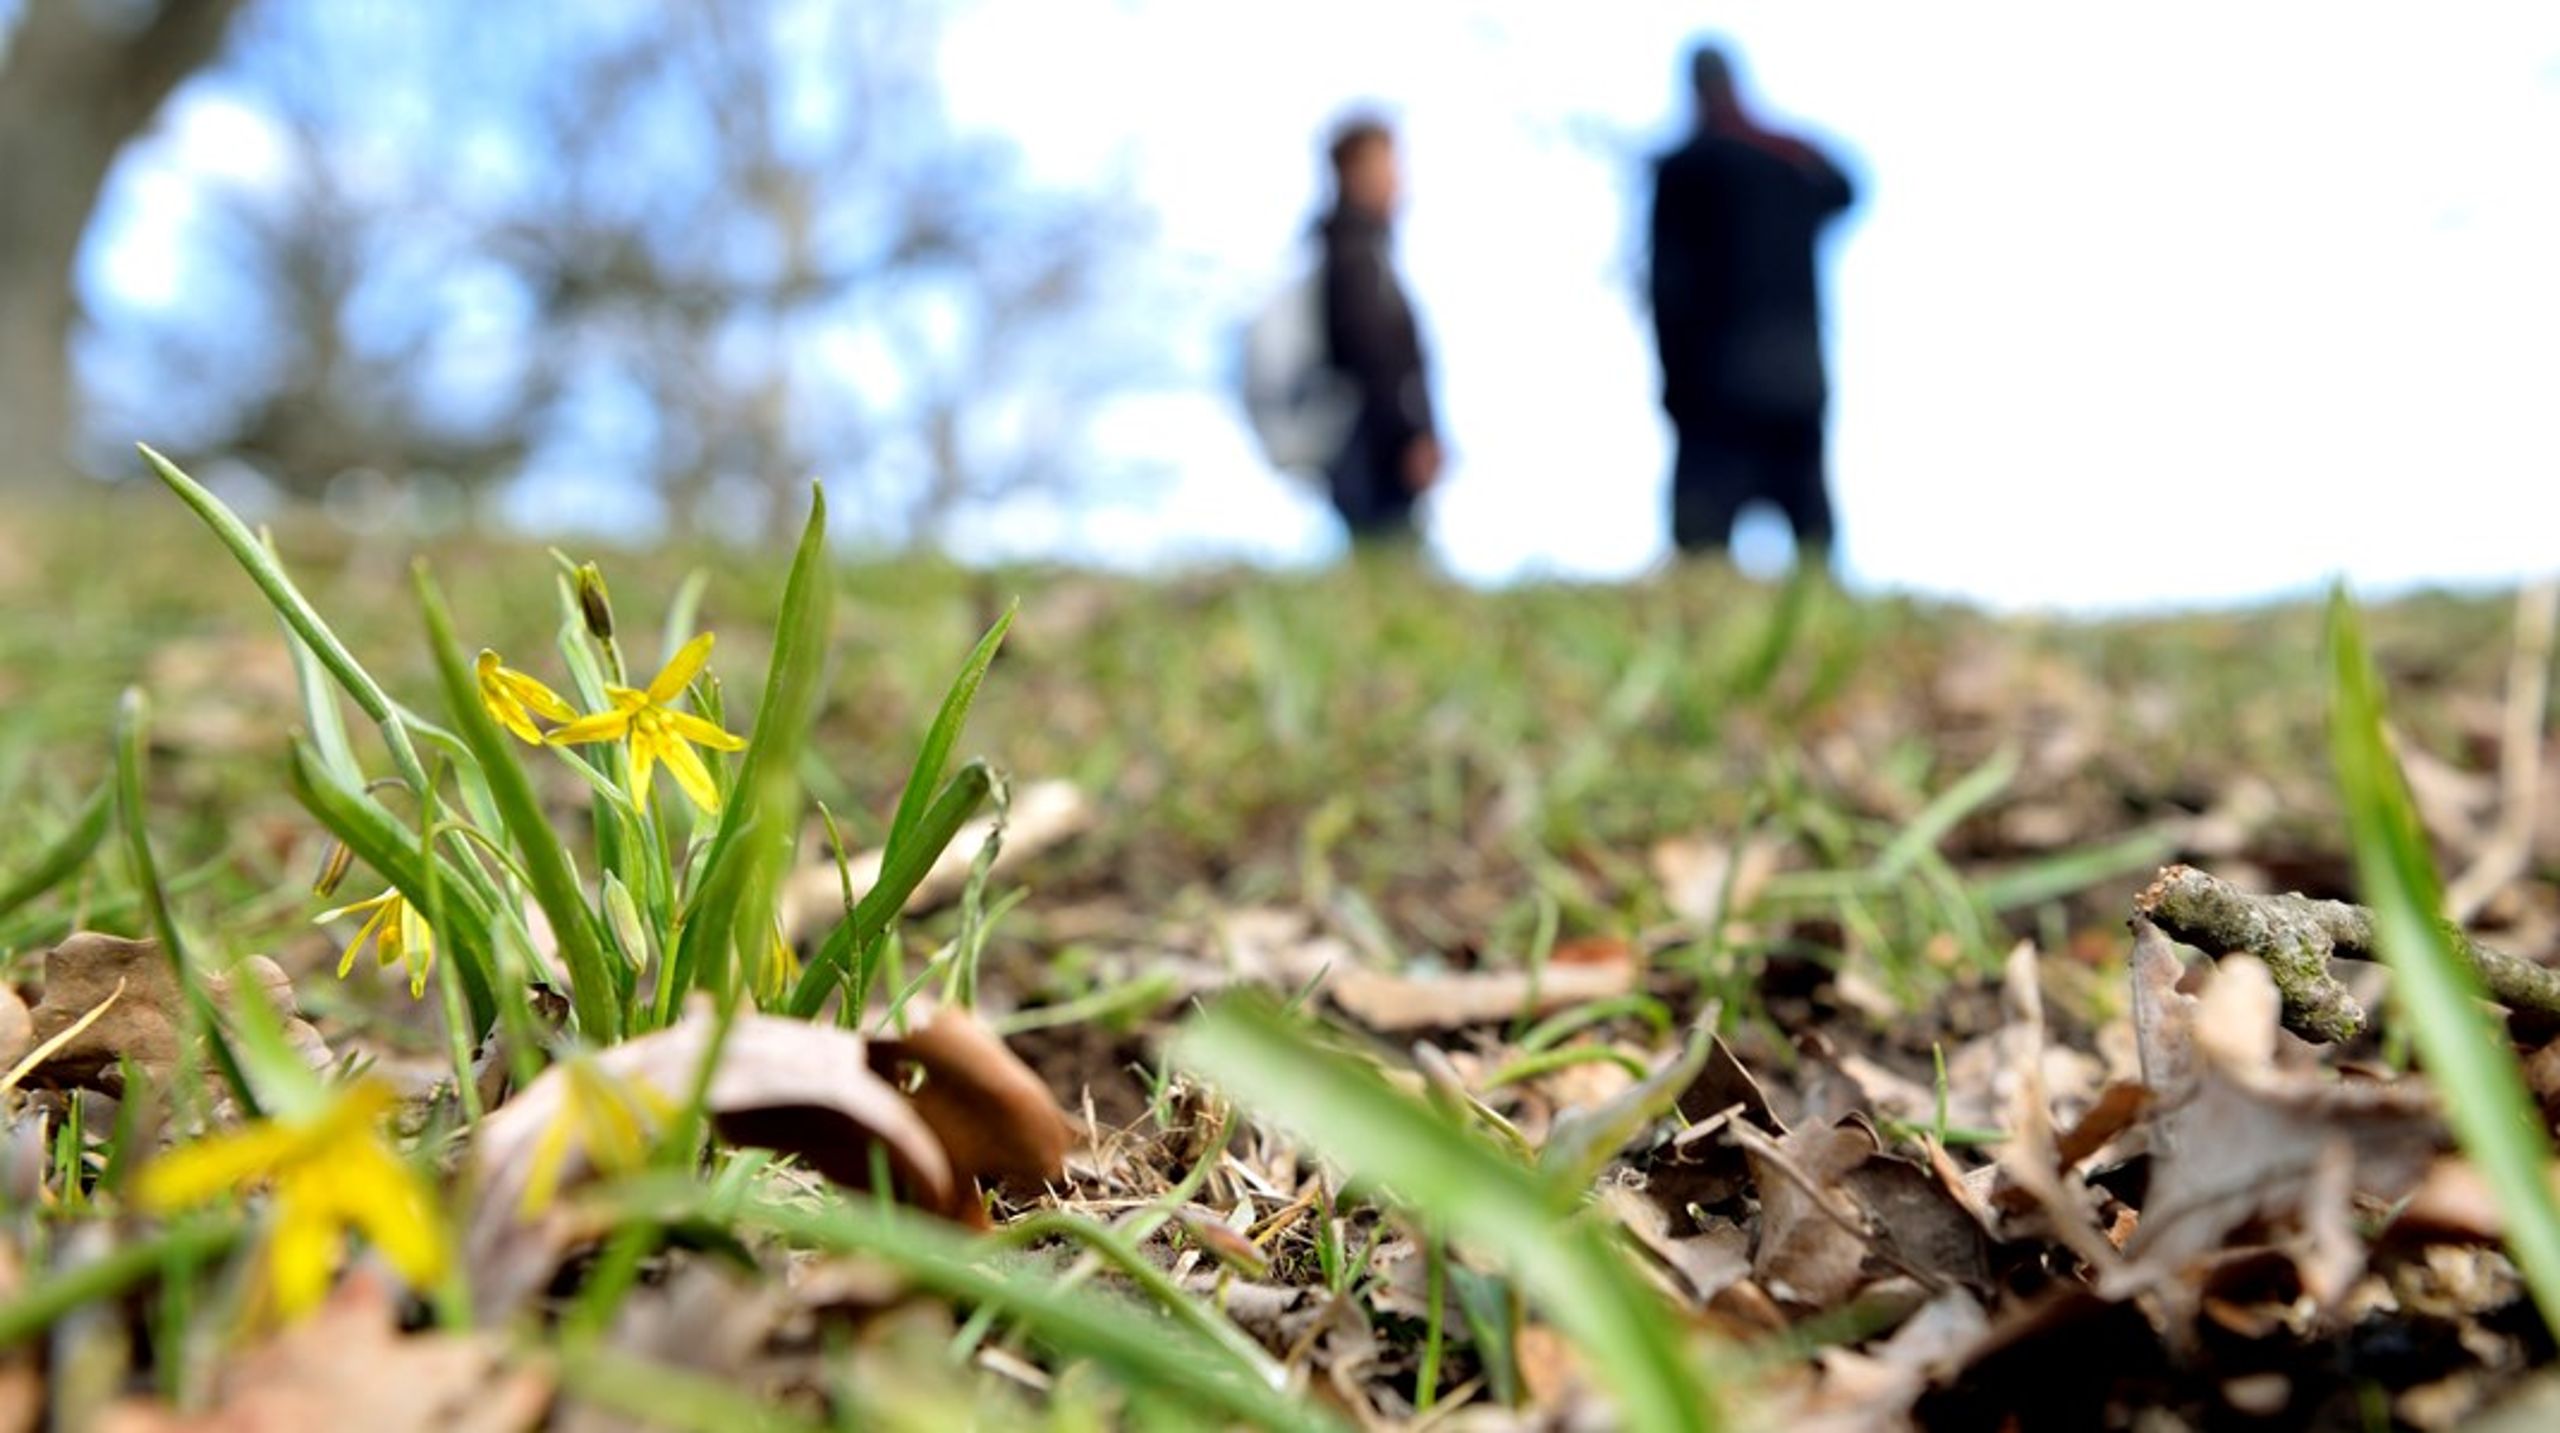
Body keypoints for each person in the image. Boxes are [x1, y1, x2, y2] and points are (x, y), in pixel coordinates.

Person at [1649, 46, 1855, 561]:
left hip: (1715, 382)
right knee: (1808, 534)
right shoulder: (1785, 164)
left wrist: (1672, 380)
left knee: (1704, 539)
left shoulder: (1687, 168)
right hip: (1793, 377)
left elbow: (1667, 286)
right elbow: (1843, 188)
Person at [1318, 116, 1441, 540]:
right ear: (1352, 172)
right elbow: (1375, 356)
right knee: (1385, 545)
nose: (1396, 181)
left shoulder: (1364, 249)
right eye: (1386, 166)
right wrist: (1411, 435)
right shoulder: (1355, 257)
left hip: (1371, 443)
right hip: (1372, 449)